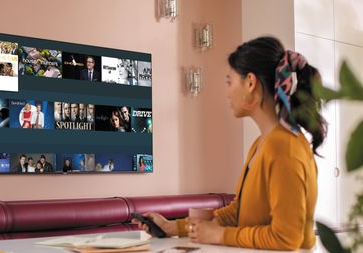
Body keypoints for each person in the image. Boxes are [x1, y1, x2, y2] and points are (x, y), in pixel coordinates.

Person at [132, 36, 326, 251]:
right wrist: (172, 227)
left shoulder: (284, 148)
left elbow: (286, 238)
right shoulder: (262, 144)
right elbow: (237, 212)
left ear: (250, 83)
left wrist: (220, 236)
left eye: (229, 82)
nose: (227, 93)